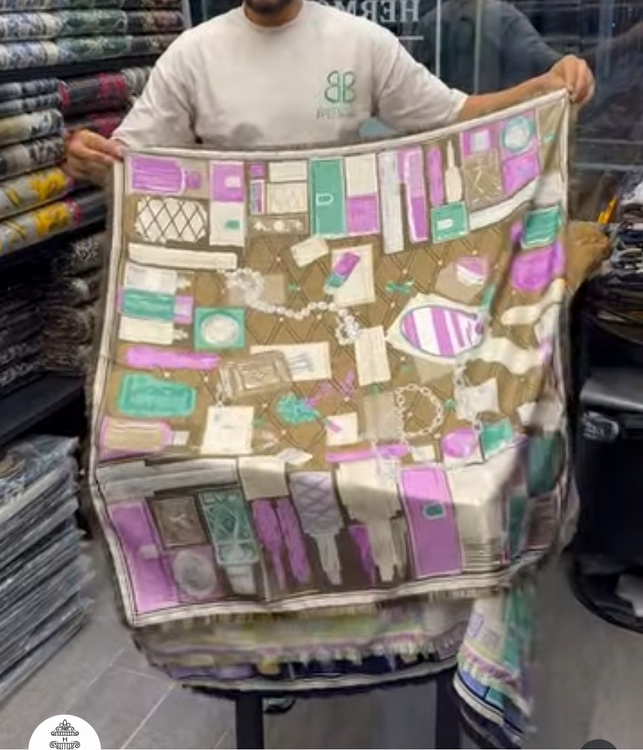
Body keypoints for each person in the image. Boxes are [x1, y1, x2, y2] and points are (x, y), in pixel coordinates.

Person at [64, 0, 593, 183]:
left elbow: (455, 115)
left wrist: (541, 87)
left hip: (342, 266)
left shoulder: (361, 42)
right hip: (230, 275)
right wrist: (87, 156)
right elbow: (126, 160)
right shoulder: (193, 53)